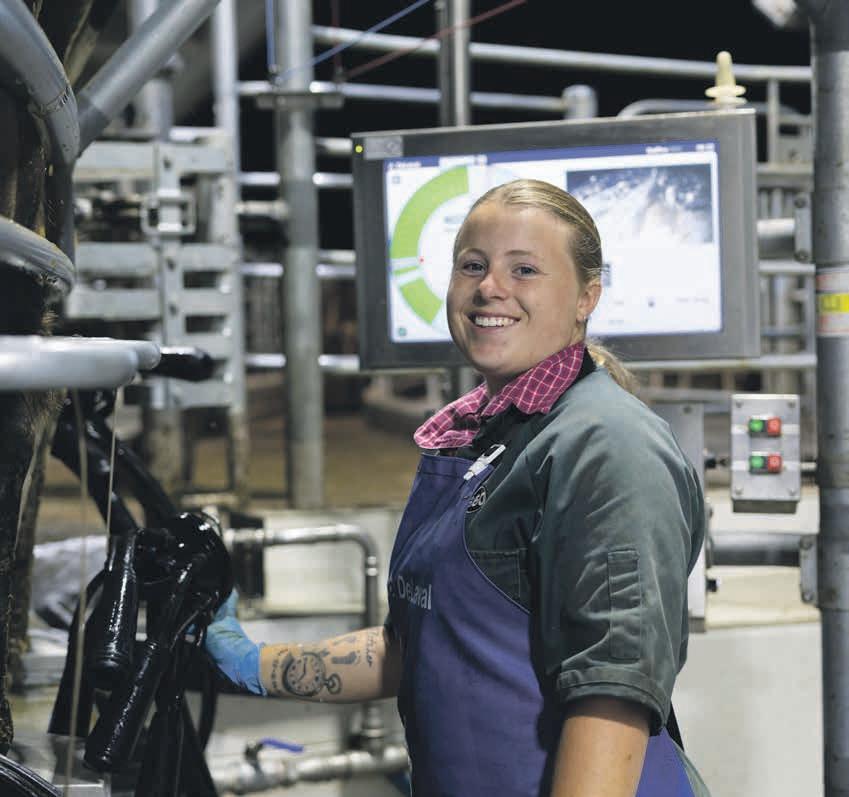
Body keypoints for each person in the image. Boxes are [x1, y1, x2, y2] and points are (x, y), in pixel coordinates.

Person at [204, 178, 710, 797]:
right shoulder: (483, 437)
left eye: (524, 269)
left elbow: (612, 697)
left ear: (587, 296)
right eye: (472, 265)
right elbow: (420, 645)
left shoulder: (607, 446)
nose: (489, 287)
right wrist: (251, 663)